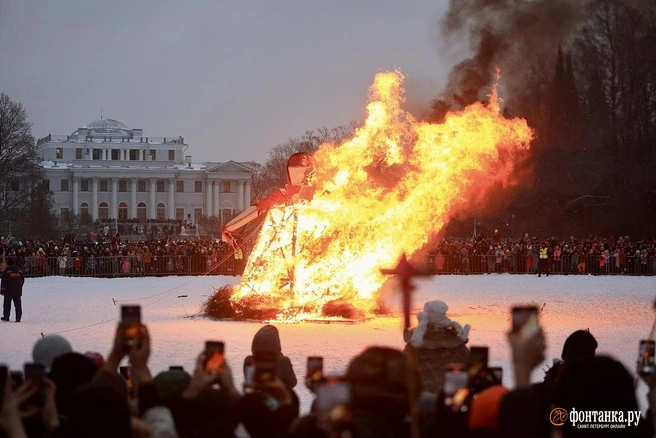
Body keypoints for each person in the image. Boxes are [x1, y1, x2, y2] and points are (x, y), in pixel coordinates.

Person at [1, 257, 25, 322]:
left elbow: (4, 281)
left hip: (8, 290)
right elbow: (22, 280)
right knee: (18, 304)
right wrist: (19, 286)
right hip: (17, 290)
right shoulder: (20, 271)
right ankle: (18, 317)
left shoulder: (6, 271)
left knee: (7, 304)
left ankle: (6, 317)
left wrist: (2, 290)